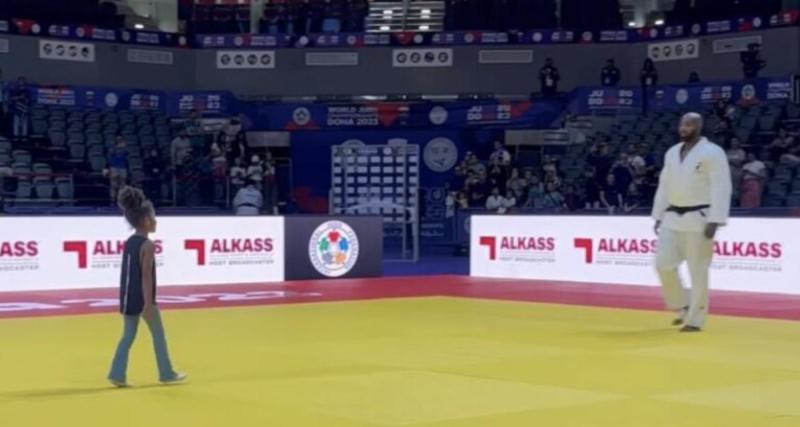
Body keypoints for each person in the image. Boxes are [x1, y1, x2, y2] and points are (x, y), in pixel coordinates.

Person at [652, 113, 732, 332]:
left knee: (698, 270)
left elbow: (721, 186)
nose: (684, 128)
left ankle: (696, 319)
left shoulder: (712, 152)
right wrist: (658, 214)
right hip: (672, 215)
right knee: (662, 264)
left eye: (689, 124)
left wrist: (716, 219)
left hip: (699, 218)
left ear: (699, 126)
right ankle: (682, 304)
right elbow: (664, 184)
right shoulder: (672, 152)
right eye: (682, 124)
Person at [108, 186, 186, 387]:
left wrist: (127, 299)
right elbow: (146, 277)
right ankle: (166, 372)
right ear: (144, 221)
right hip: (143, 298)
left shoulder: (129, 242)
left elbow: (127, 274)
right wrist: (149, 303)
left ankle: (117, 373)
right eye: (153, 217)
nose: (156, 221)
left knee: (127, 336)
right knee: (158, 335)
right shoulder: (148, 245)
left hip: (127, 297)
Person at [108, 137, 129, 203]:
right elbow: (111, 152)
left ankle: (121, 199)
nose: (119, 140)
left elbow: (126, 153)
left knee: (122, 184)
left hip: (123, 167)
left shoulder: (125, 148)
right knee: (113, 184)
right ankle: (112, 199)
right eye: (118, 139)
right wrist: (116, 147)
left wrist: (123, 147)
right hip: (114, 167)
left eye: (121, 139)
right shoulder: (113, 147)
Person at [9, 77, 30, 142]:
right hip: (16, 109)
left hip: (24, 109)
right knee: (16, 124)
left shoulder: (27, 91)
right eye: (20, 81)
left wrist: (26, 100)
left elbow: (29, 100)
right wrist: (19, 97)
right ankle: (16, 137)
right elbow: (11, 98)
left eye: (23, 81)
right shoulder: (14, 90)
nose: (21, 82)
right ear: (18, 82)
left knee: (24, 124)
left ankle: (24, 138)